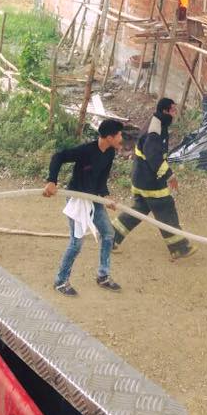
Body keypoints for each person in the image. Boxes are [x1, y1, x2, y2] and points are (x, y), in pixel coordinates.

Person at [43, 119, 124, 296]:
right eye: (119, 135)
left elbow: (102, 177)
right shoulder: (86, 151)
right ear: (109, 137)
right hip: (77, 199)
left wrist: (105, 196)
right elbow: (58, 156)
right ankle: (60, 281)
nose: (121, 138)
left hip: (94, 199)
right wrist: (52, 181)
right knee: (76, 242)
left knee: (109, 234)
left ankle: (103, 276)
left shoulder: (110, 152)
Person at [111, 98, 196, 261]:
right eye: (172, 110)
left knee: (140, 209)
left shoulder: (158, 123)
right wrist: (169, 175)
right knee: (165, 208)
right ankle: (179, 247)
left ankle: (110, 237)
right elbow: (154, 157)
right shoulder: (154, 130)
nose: (175, 113)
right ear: (164, 111)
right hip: (149, 180)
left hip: (142, 177)